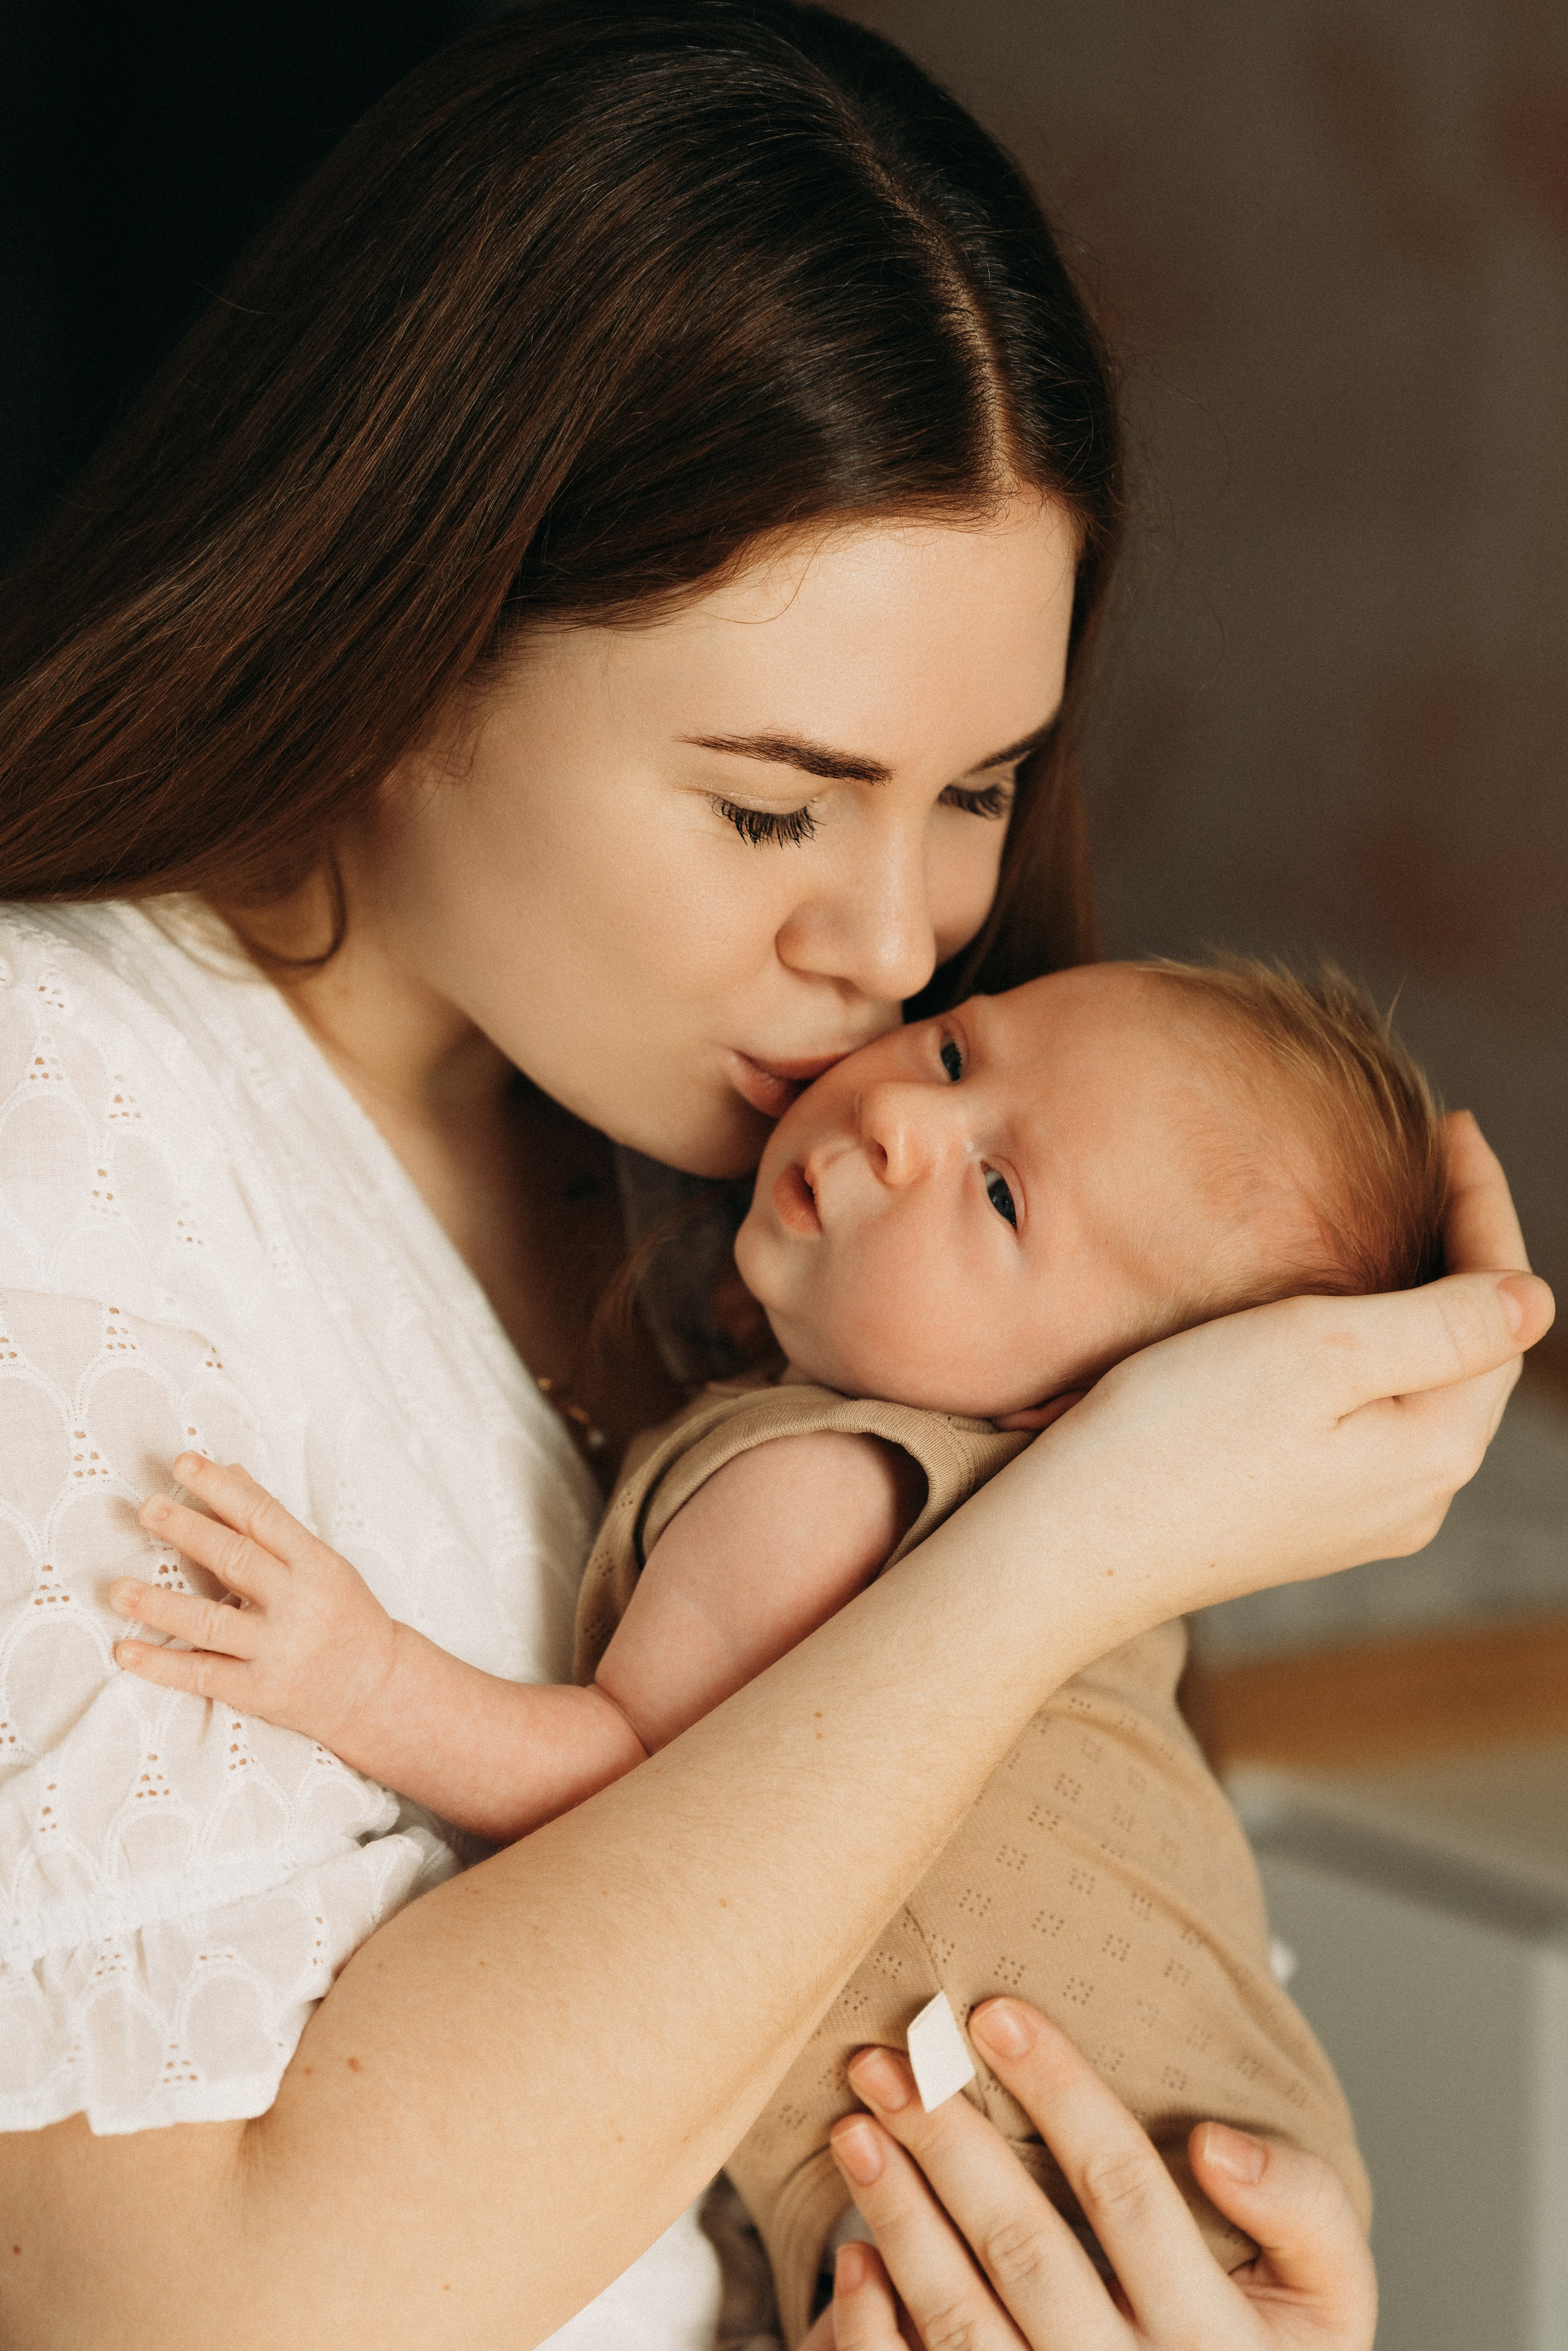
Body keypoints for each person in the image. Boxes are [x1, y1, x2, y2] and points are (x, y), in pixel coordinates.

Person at [0, 7, 1547, 2349]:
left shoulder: (791, 1220)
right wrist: (1081, 1532)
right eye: (773, 804)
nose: (897, 940)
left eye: (981, 785)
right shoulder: (67, 1108)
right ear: (415, 635)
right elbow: (203, 2309)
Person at [102, 953, 1437, 2333]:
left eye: (997, 1194)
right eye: (957, 1056)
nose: (900, 1123)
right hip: (1196, 2185)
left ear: (1078, 1405)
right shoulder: (1030, 1517)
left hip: (1084, 2212)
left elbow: (629, 1797)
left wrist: (361, 1675)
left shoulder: (819, 1481)